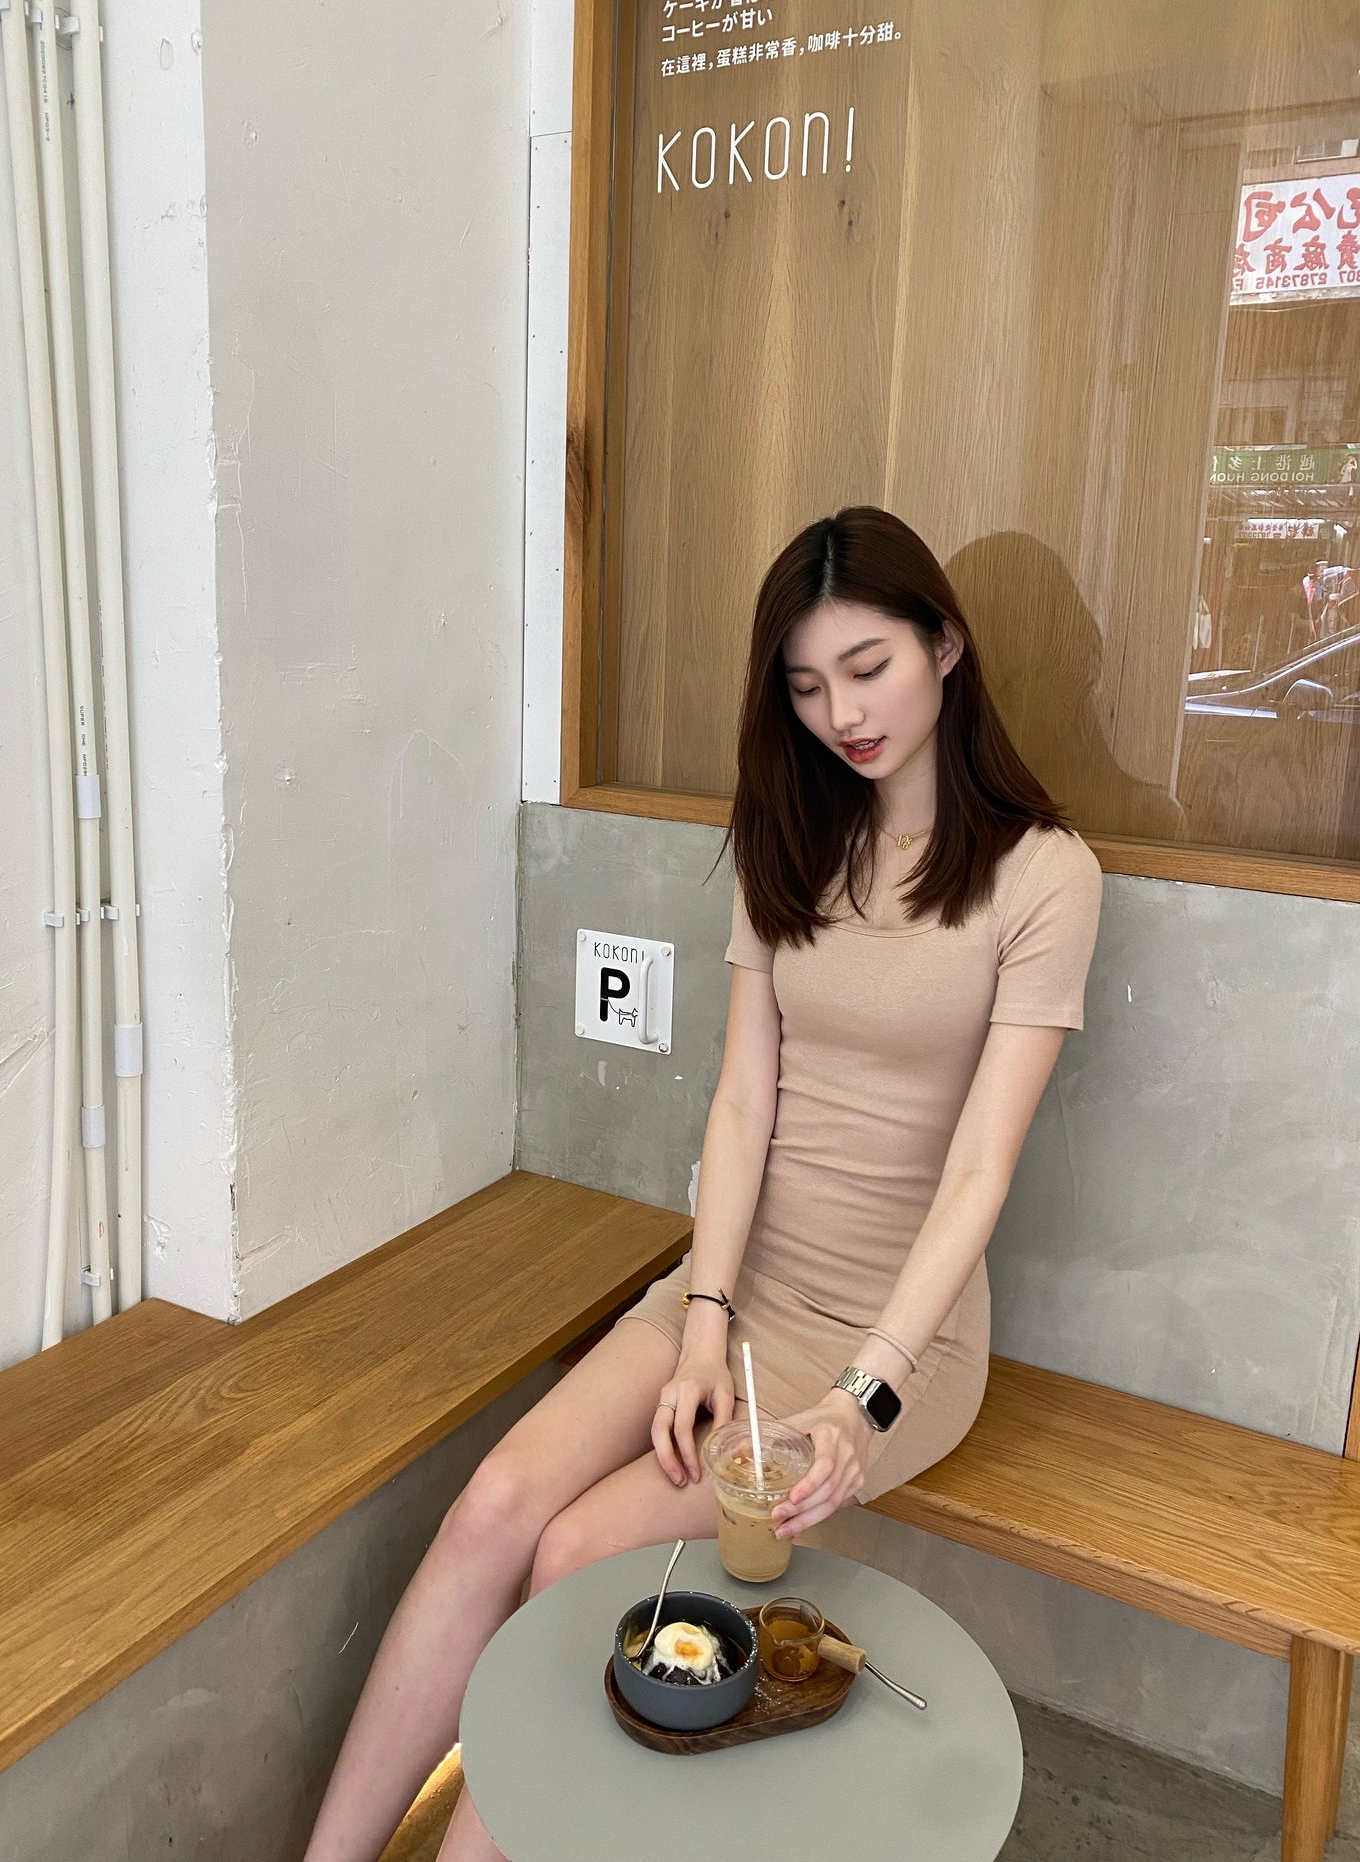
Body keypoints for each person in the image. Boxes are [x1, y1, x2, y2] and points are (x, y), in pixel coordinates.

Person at [302, 507, 1104, 1862]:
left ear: (945, 646)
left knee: (577, 1559)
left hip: (893, 1341)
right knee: (494, 1507)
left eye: (867, 667)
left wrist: (862, 1396)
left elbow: (980, 1171)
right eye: (806, 686)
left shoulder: (1045, 878)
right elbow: (741, 1103)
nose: (841, 713)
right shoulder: (790, 837)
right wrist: (702, 1320)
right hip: (732, 1287)